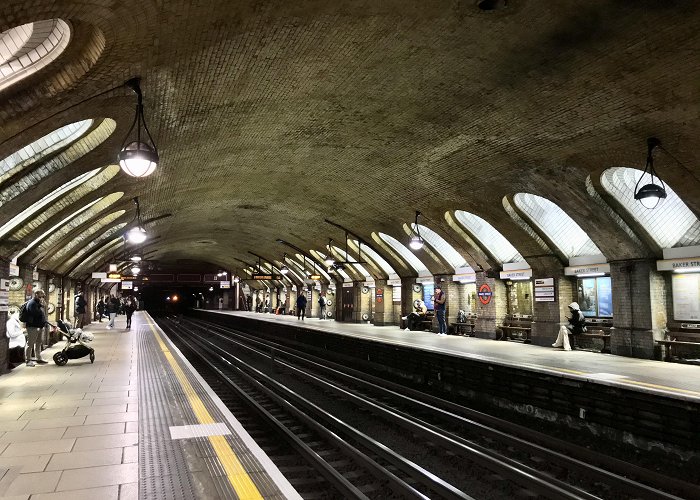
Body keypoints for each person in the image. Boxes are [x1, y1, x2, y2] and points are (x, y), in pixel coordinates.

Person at [23, 290, 49, 366]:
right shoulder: (32, 303)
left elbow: (42, 314)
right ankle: (28, 360)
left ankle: (38, 358)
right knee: (30, 343)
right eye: (41, 293)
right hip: (32, 326)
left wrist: (42, 305)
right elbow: (35, 313)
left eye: (43, 294)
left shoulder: (38, 303)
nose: (43, 295)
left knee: (38, 343)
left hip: (39, 326)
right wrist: (41, 306)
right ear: (36, 294)